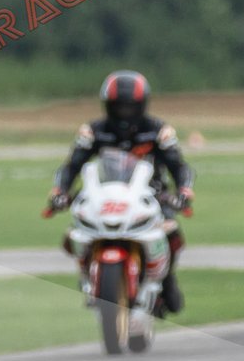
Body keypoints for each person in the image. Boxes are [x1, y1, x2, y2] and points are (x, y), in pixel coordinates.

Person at [46, 70, 194, 312]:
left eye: (130, 107)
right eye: (119, 107)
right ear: (108, 105)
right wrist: (59, 191)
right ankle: (89, 271)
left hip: (151, 195)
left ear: (142, 105)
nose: (125, 112)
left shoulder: (158, 130)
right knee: (77, 229)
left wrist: (184, 192)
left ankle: (166, 281)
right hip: (105, 194)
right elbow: (71, 166)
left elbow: (179, 166)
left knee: (171, 231)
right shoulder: (93, 131)